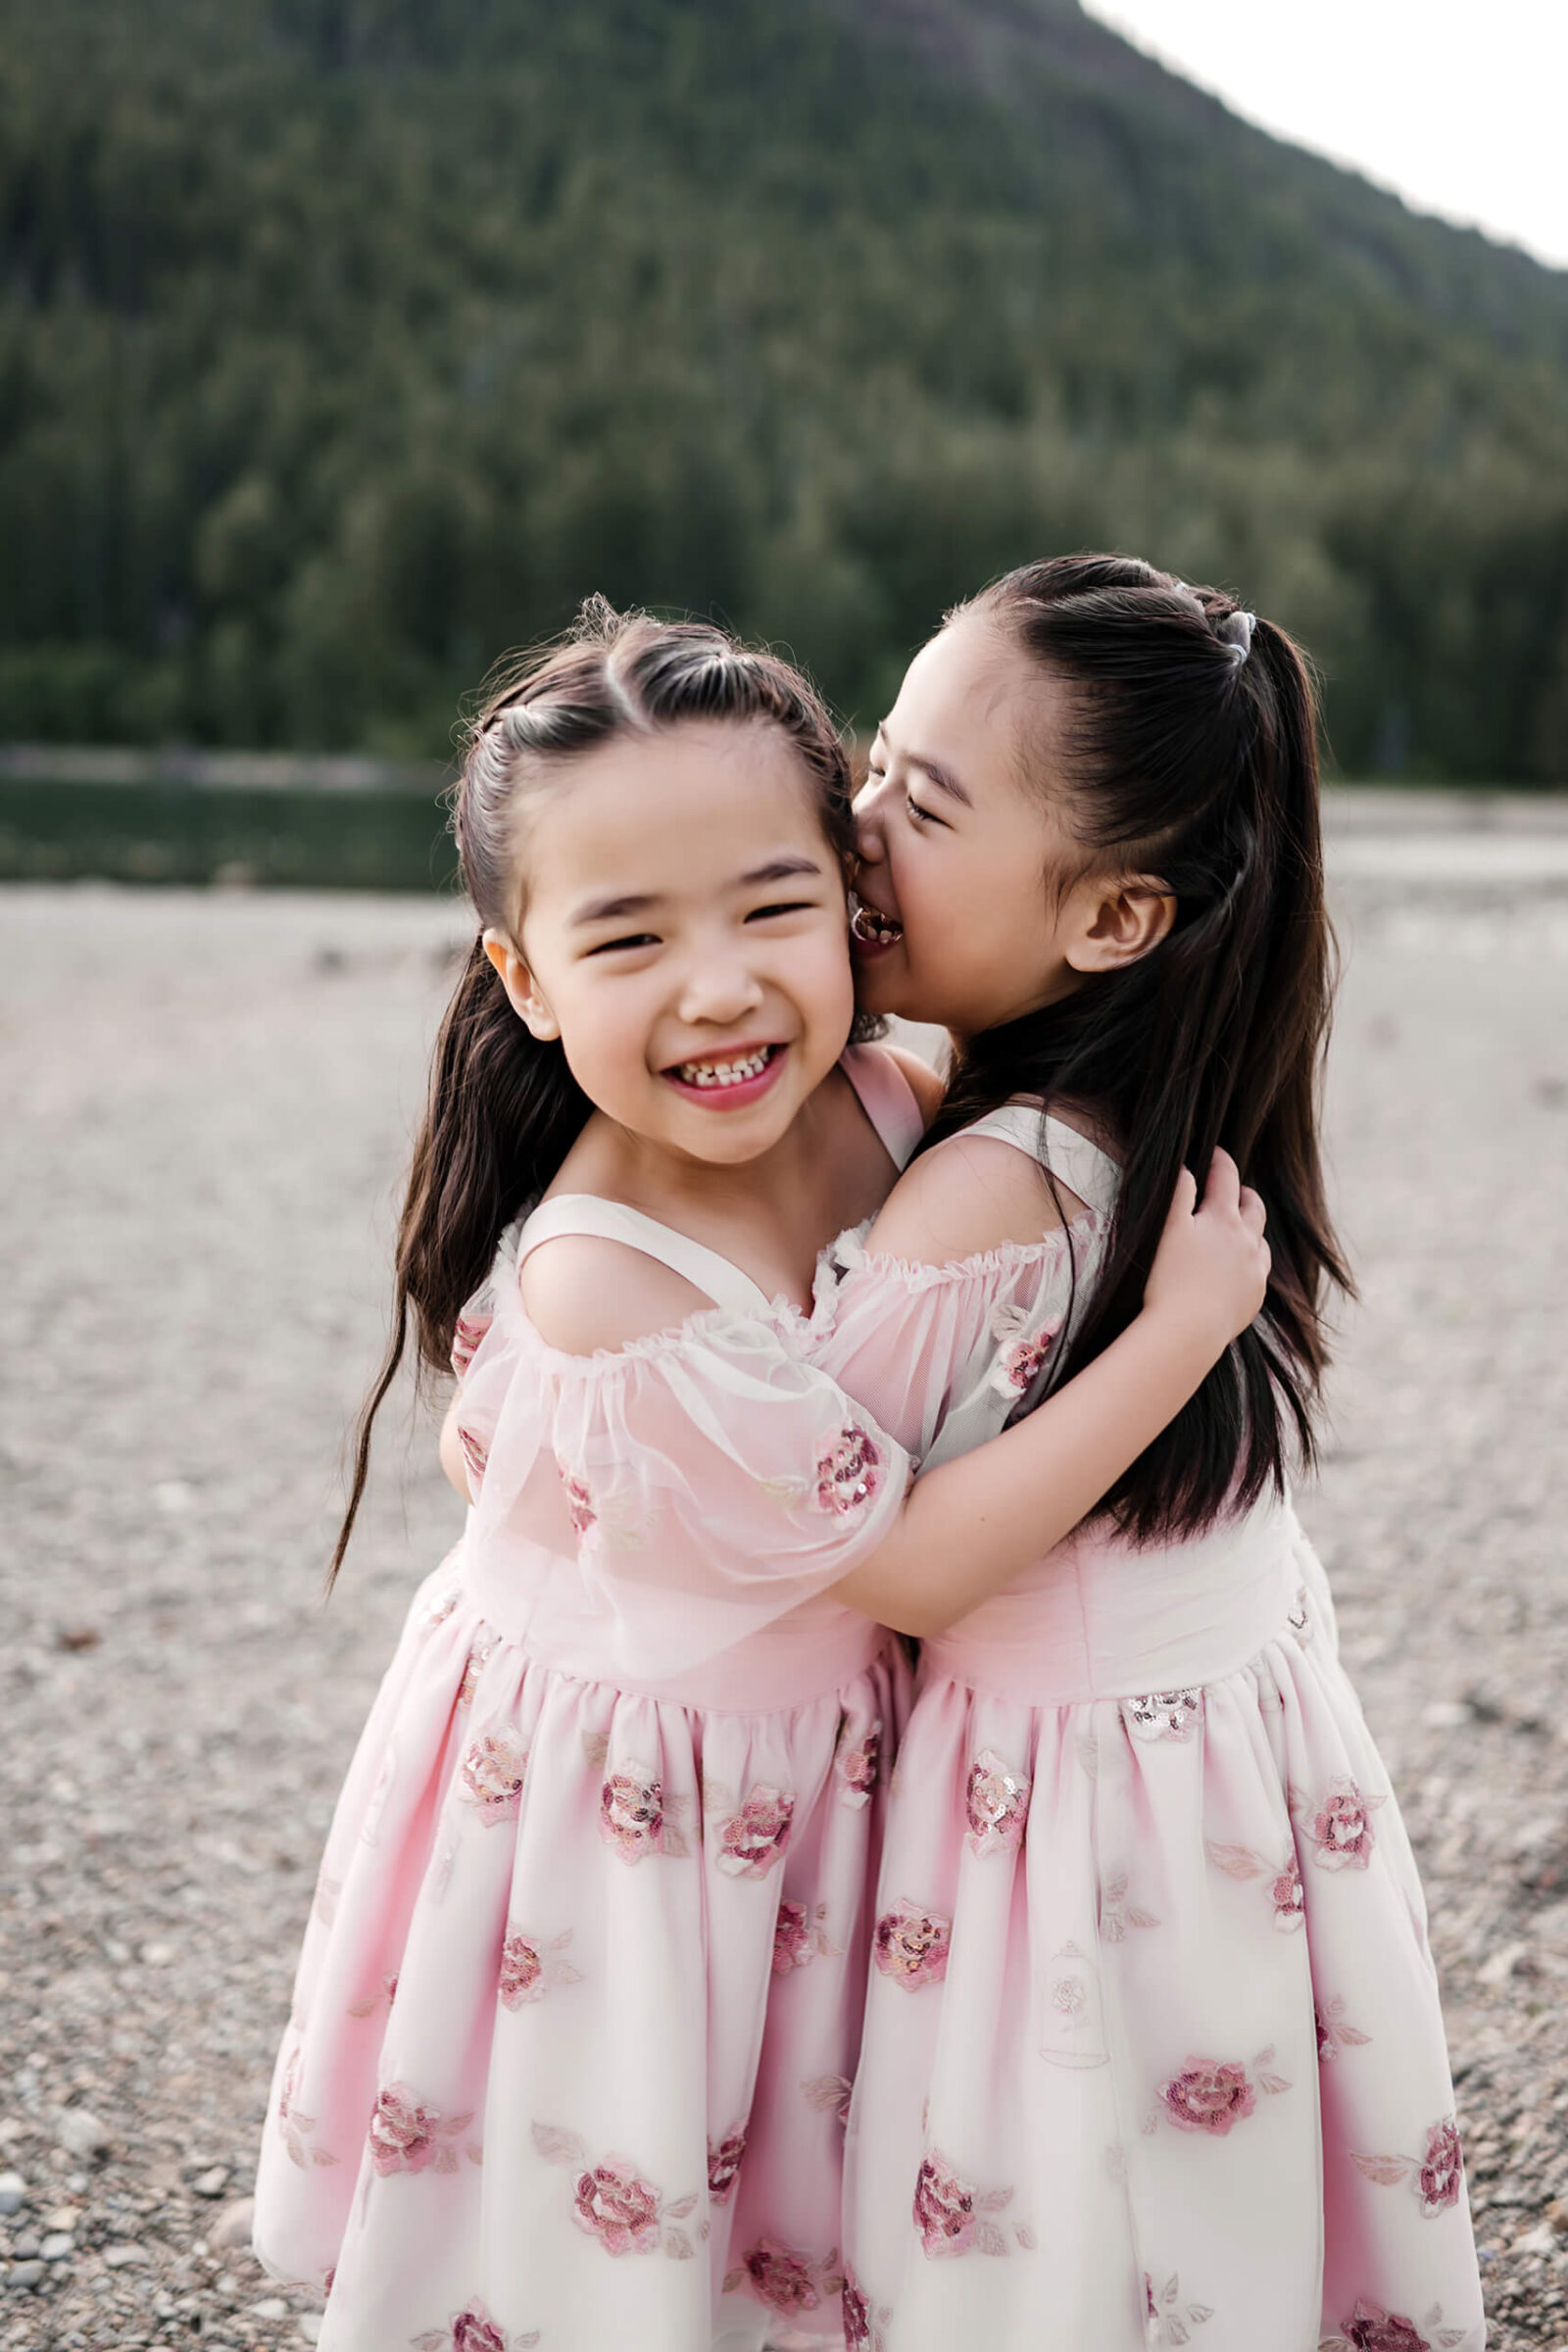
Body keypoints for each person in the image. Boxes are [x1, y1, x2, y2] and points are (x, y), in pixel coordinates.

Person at [250, 601, 1268, 2352]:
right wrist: (1185, 1336)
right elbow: (916, 1569)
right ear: (523, 975)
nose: (720, 987)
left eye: (772, 906)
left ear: (851, 895)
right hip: (618, 1806)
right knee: (612, 2181)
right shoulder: (603, 1287)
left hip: (804, 1771)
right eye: (629, 938)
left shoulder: (885, 1097)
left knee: (772, 2206)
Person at [817, 554, 1487, 2350]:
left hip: (1076, 1815)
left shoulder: (982, 1196)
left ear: (1114, 921)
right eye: (875, 762)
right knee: (1197, 2233)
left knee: (1054, 2223)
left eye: (924, 804)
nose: (857, 822)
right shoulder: (1169, 1120)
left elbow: (878, 1558)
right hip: (1218, 1780)